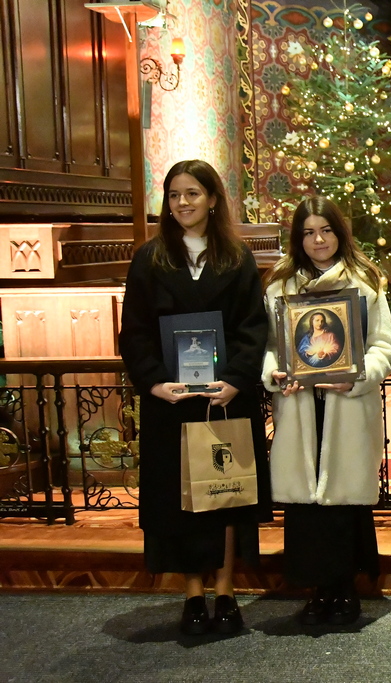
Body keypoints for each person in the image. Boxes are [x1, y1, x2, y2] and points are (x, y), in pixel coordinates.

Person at [119, 159, 271, 636]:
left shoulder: (237, 258)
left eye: (192, 193)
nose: (182, 203)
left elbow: (253, 330)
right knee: (180, 500)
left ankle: (225, 591)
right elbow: (136, 333)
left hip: (225, 399)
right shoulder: (149, 258)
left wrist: (237, 379)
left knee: (226, 497)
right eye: (174, 195)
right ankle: (192, 595)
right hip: (172, 402)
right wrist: (154, 382)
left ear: (212, 199)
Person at [262, 196, 391, 626]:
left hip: (345, 405)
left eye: (325, 230)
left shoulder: (365, 282)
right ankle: (316, 590)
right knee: (306, 506)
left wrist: (356, 377)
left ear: (340, 232)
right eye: (308, 232)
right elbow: (269, 347)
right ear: (297, 238)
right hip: (300, 407)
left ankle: (344, 589)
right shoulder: (278, 288)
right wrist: (275, 373)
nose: (318, 240)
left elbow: (384, 346)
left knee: (342, 502)